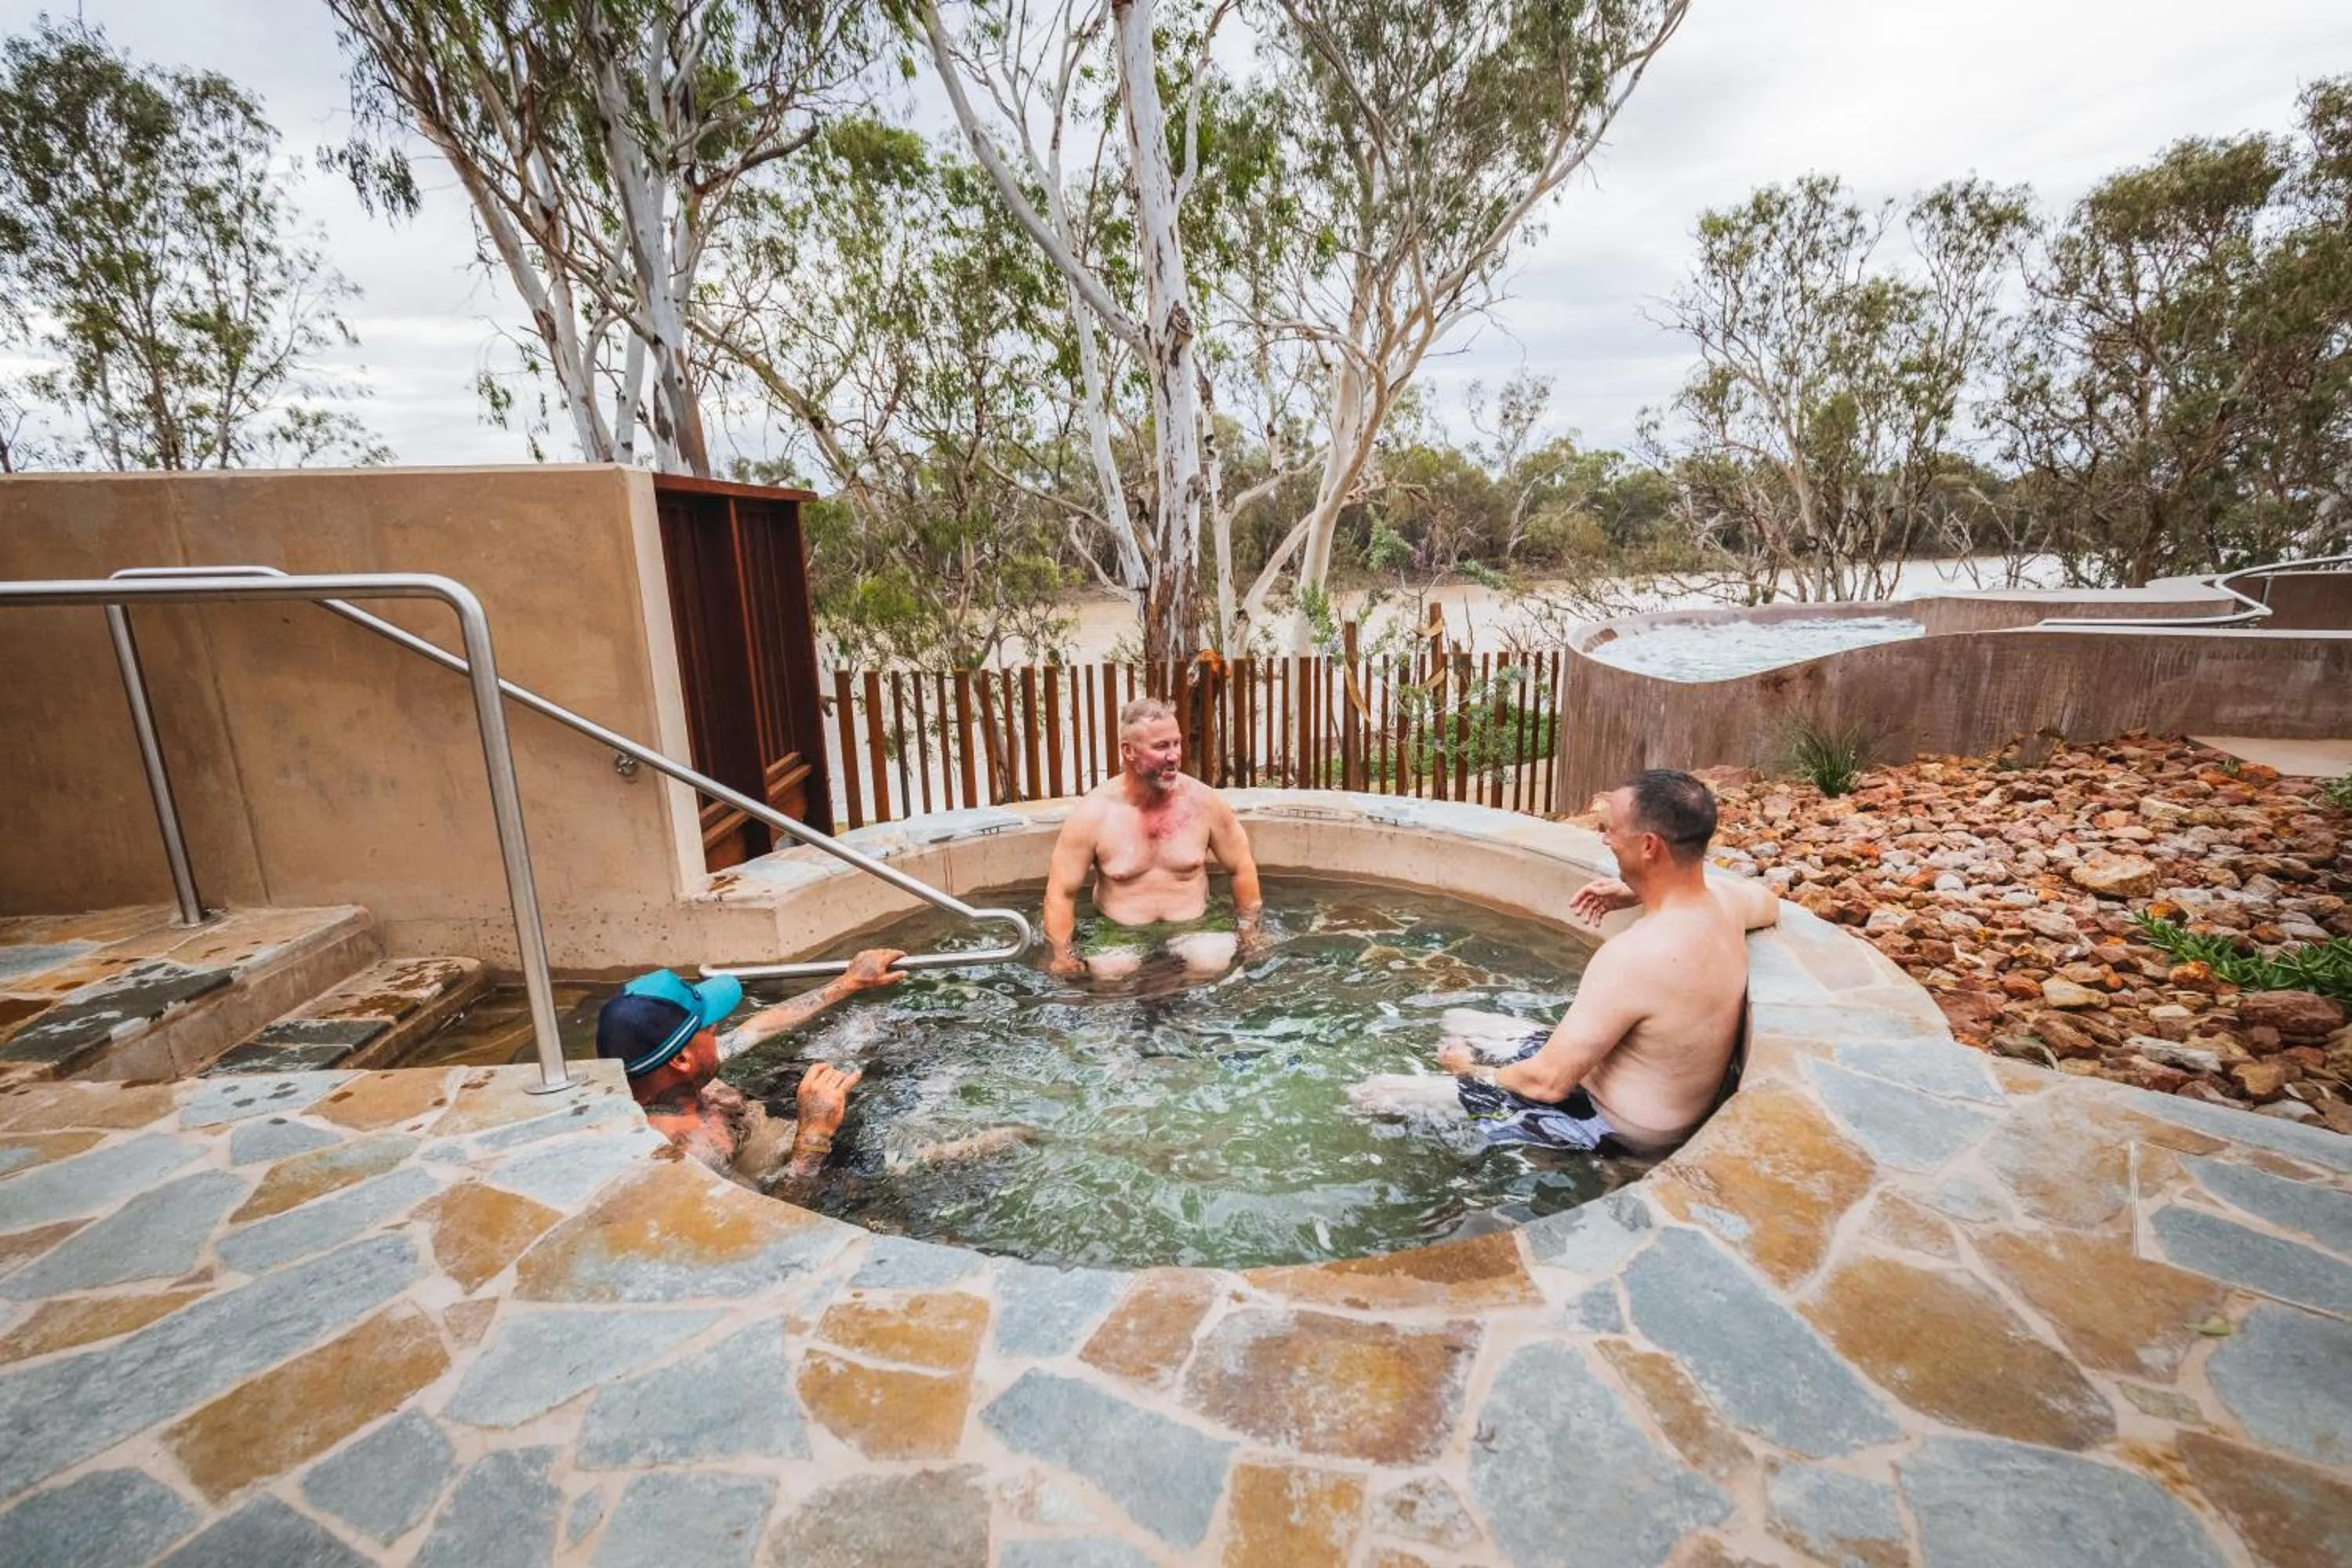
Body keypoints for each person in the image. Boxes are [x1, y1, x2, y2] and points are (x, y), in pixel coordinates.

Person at [1356, 769, 1777, 1156]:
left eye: (1611, 831)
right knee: (1458, 1019)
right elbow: (1770, 903)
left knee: (1371, 1094)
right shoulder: (1727, 904)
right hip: (1641, 1098)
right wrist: (1640, 890)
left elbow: (1547, 1083)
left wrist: (1468, 1073)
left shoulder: (1636, 956)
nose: (1605, 840)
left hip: (1610, 1127)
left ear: (1649, 846)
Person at [595, 949, 906, 1182]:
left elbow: (757, 1028)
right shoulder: (688, 1155)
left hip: (767, 1133)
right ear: (681, 1060)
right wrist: (814, 1135)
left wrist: (848, 982)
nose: (718, 1028)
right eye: (707, 1027)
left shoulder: (672, 1078)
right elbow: (780, 1224)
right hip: (799, 1175)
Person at [1041, 696, 1265, 979]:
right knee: (1110, 972)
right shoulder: (1094, 814)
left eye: (1176, 743)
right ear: (1128, 751)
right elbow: (1060, 893)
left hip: (1193, 925)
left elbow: (1241, 866)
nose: (1174, 755)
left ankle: (1190, 1023)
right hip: (1118, 930)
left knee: (1214, 963)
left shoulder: (1203, 803)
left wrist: (1249, 931)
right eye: (1161, 746)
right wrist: (1062, 956)